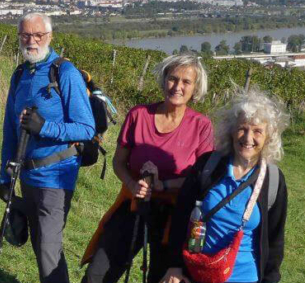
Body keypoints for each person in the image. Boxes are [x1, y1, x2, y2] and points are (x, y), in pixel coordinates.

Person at [80, 54, 214, 283]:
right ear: (164, 80)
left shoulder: (201, 126)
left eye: (186, 82)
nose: (177, 87)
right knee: (97, 275)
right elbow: (118, 162)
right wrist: (133, 185)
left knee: (161, 278)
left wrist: (163, 184)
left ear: (195, 88)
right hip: (134, 203)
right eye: (172, 79)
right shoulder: (138, 115)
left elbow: (201, 179)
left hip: (175, 215)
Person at [0, 12, 95, 283]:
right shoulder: (20, 75)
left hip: (56, 176)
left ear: (50, 37)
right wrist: (5, 178)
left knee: (47, 248)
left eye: (38, 35)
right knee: (42, 249)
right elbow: (10, 131)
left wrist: (45, 127)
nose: (32, 41)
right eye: (26, 35)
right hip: (27, 177)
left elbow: (86, 128)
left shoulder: (64, 72)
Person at [161, 89, 289, 283]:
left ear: (268, 137)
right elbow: (181, 216)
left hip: (245, 277)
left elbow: (274, 241)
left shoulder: (273, 180)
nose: (248, 138)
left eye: (257, 131)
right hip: (197, 273)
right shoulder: (208, 166)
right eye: (242, 128)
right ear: (231, 130)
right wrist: (175, 266)